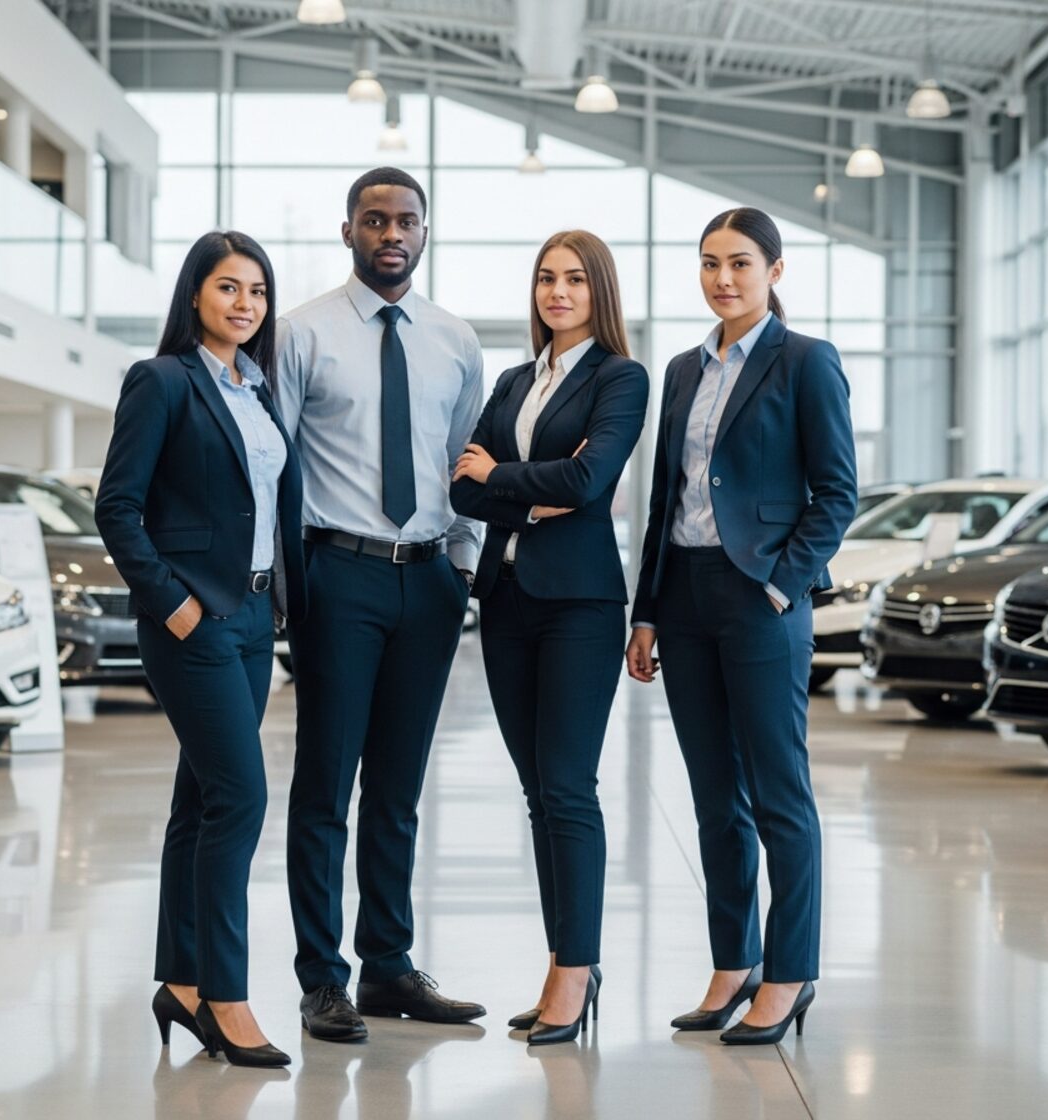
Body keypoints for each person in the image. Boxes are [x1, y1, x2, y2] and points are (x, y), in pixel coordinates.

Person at [625, 207, 857, 1045]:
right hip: (683, 598)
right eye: (710, 263)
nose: (724, 279)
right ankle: (735, 961)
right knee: (715, 797)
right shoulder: (685, 369)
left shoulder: (806, 362)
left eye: (741, 264)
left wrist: (782, 585)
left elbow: (837, 493)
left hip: (760, 597)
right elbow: (664, 501)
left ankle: (789, 973)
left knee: (778, 795)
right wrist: (646, 609)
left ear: (775, 271)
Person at [273, 167, 487, 1042]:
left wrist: (462, 570)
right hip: (340, 575)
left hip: (428, 579)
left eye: (405, 221)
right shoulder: (300, 334)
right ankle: (322, 977)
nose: (390, 233)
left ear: (425, 233)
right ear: (349, 230)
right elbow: (273, 466)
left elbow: (466, 457)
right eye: (374, 220)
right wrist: (291, 587)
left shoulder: (454, 339)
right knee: (327, 785)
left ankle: (388, 966)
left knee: (397, 787)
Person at [95, 230, 305, 1068]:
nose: (245, 304)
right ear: (194, 297)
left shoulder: (259, 393)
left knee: (200, 802)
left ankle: (180, 982)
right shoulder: (162, 382)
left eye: (256, 290)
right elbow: (117, 507)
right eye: (228, 288)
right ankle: (226, 995)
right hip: (196, 624)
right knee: (241, 801)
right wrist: (175, 606)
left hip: (255, 623)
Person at [449, 230, 647, 1046]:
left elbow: (591, 480)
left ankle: (575, 971)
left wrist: (500, 479)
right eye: (545, 279)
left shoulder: (621, 379)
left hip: (580, 607)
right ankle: (567, 959)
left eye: (573, 279)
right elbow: (461, 491)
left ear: (598, 289)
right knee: (538, 796)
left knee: (568, 787)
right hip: (506, 600)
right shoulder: (513, 381)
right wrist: (525, 493)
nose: (557, 292)